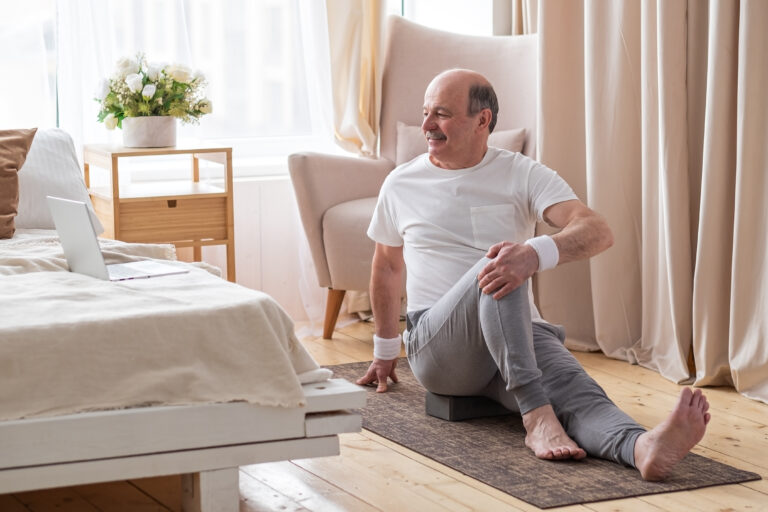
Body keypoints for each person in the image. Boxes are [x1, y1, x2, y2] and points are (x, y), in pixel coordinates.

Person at [356, 68, 711, 481]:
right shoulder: (402, 182)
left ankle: (641, 447)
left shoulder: (521, 173)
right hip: (441, 349)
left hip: (518, 332)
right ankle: (535, 414)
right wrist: (384, 351)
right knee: (499, 265)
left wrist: (536, 253)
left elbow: (597, 230)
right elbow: (387, 265)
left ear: (482, 120)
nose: (427, 126)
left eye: (442, 113)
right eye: (426, 113)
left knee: (581, 396)